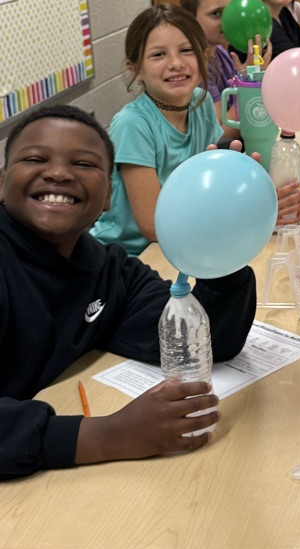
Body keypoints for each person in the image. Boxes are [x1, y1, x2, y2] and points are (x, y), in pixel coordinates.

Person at [0, 103, 257, 478]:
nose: (58, 173)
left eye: (83, 163)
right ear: (2, 183)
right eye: (35, 158)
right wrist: (109, 435)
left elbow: (206, 339)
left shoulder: (109, 271)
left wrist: (221, 240)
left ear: (107, 195)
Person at [90, 4, 227, 257]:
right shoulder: (133, 124)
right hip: (129, 256)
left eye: (186, 50)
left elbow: (205, 189)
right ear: (135, 70)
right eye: (158, 55)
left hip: (183, 242)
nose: (176, 63)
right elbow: (154, 227)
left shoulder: (202, 103)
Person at [180, 0, 300, 225]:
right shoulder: (196, 70)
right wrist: (249, 90)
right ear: (190, 20)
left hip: (240, 162)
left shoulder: (222, 53)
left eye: (232, 11)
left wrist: (253, 77)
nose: (229, 21)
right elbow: (222, 133)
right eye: (216, 14)